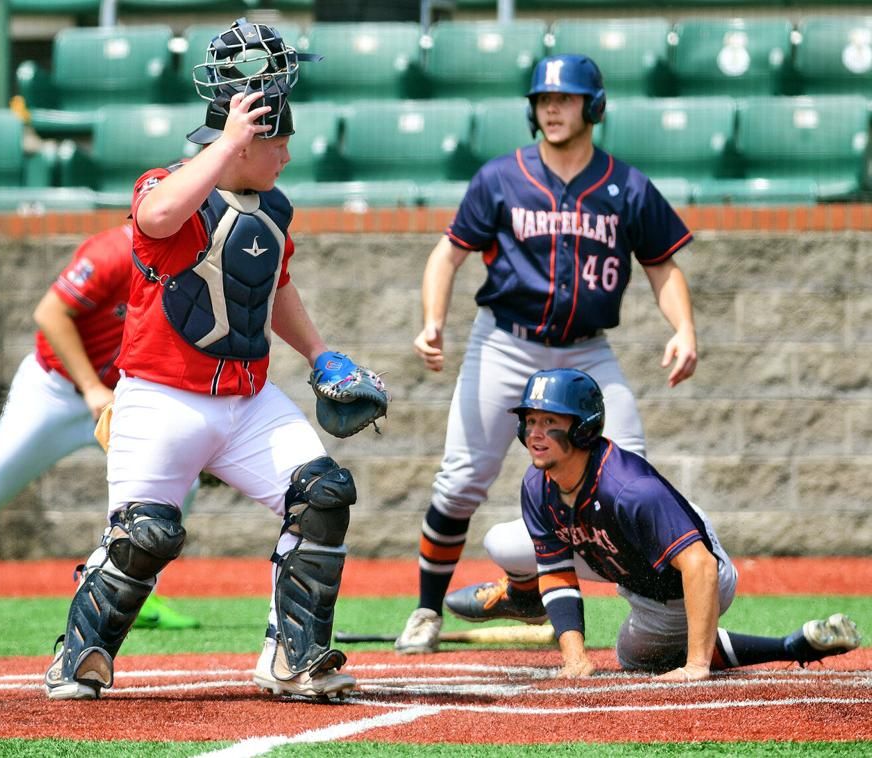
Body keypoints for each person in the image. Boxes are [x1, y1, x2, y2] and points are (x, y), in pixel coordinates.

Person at [43, 18, 380, 702]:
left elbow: (273, 286)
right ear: (243, 141)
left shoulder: (274, 207)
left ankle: (292, 655)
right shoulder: (169, 187)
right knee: (145, 536)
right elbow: (156, 220)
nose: (286, 155)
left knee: (323, 493)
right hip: (162, 397)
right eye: (277, 142)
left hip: (248, 400)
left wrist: (318, 354)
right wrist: (227, 145)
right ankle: (78, 651)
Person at [395, 53, 699, 654]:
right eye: (543, 100)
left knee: (630, 470)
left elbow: (663, 265)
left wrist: (684, 328)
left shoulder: (627, 185)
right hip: (505, 342)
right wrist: (432, 321)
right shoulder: (501, 177)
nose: (553, 108)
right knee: (459, 481)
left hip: (586, 353)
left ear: (595, 106)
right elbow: (447, 253)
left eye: (565, 98)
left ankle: (559, 591)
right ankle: (428, 611)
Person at [446, 368, 862, 680]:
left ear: (585, 428)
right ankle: (522, 598)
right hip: (625, 549)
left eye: (551, 422)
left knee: (634, 656)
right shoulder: (538, 481)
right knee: (502, 541)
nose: (537, 433)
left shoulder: (630, 489)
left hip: (684, 577)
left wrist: (696, 664)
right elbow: (555, 571)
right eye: (531, 421)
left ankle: (789, 645)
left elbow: (700, 567)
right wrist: (575, 657)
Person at [0, 223, 198, 630]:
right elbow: (49, 313)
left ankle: (130, 593)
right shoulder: (113, 251)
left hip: (123, 397)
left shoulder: (192, 258)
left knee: (177, 486)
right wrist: (90, 388)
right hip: (56, 391)